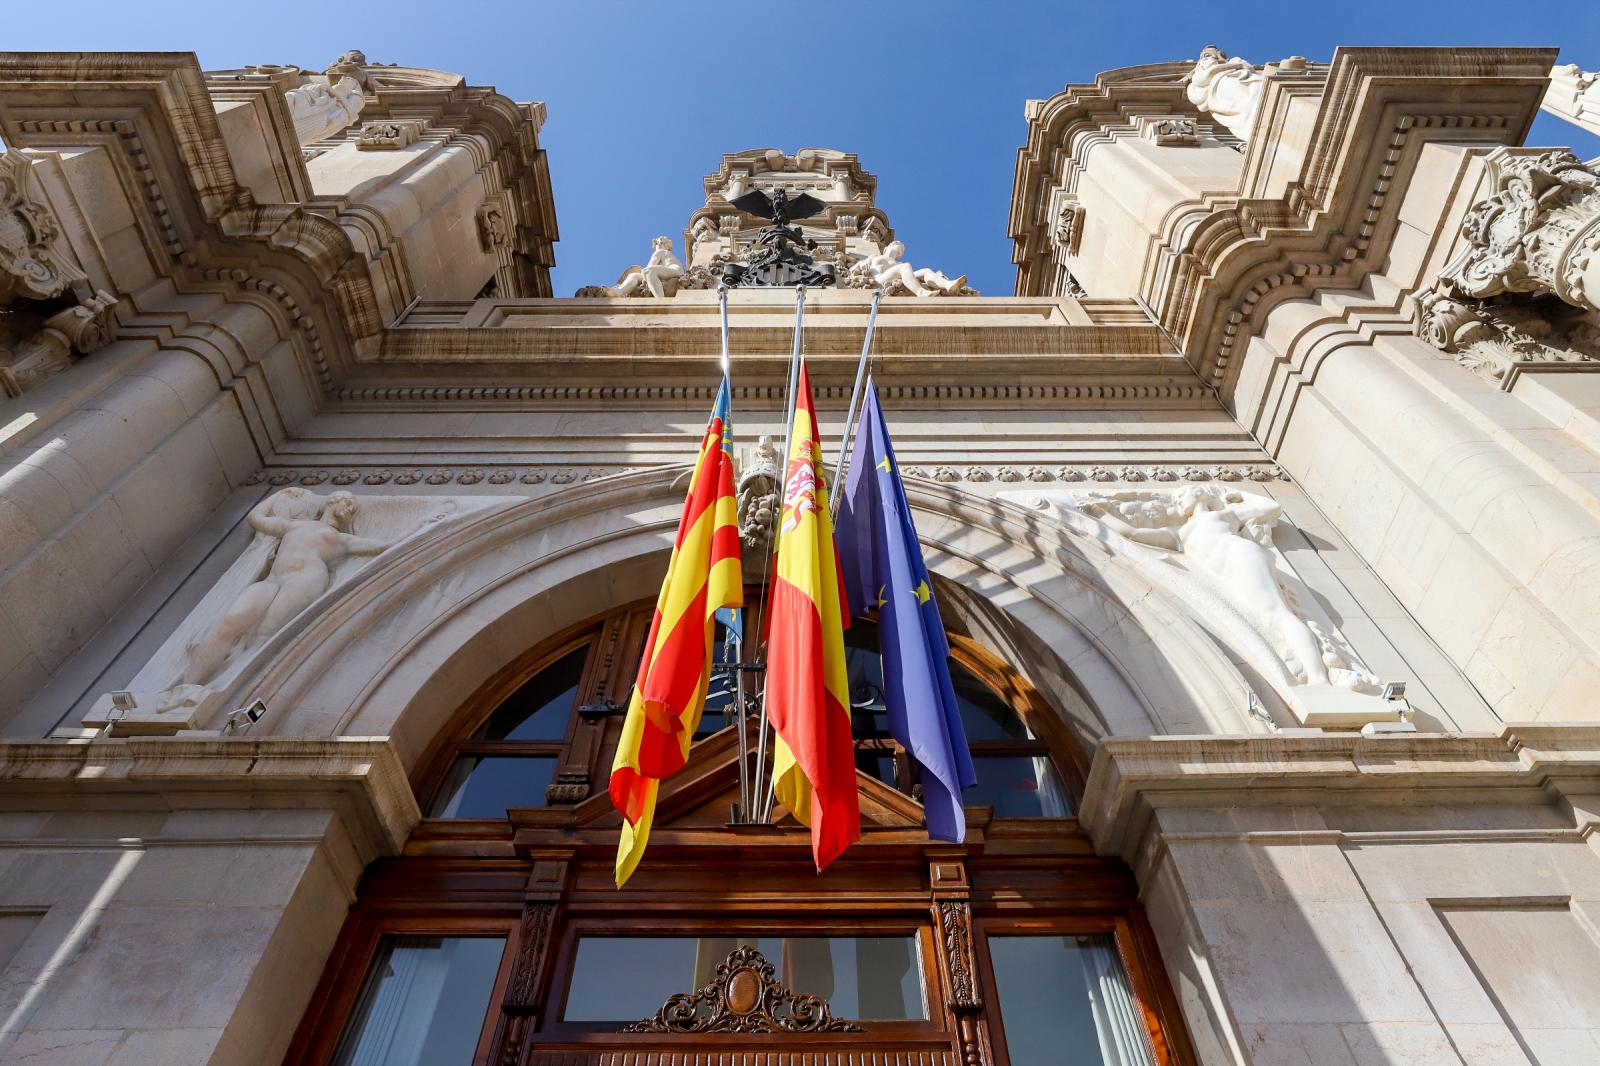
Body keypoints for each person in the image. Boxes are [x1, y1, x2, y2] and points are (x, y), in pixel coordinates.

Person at [179, 489, 389, 685]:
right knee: (231, 620)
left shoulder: (343, 539)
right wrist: (278, 493)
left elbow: (380, 547)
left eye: (352, 506)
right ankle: (188, 685)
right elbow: (255, 518)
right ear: (331, 501)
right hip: (274, 579)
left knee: (264, 634)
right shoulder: (294, 524)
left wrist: (418, 530)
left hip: (307, 578)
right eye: (347, 502)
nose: (350, 508)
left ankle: (225, 687)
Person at [612, 236, 685, 297]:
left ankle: (661, 301)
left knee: (648, 271)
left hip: (675, 272)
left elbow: (649, 267)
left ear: (659, 243)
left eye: (655, 245)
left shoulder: (660, 252)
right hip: (669, 272)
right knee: (634, 275)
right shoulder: (666, 254)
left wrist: (643, 274)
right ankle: (618, 292)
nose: (655, 248)